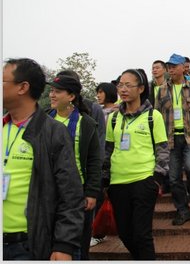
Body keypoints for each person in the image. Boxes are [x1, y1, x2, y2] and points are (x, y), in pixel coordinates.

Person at [3, 58, 84, 260]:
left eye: (3, 81)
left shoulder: (53, 132)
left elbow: (70, 194)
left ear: (23, 87)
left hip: (26, 245)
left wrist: (64, 244)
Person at [102, 68, 169, 260]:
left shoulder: (152, 116)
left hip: (143, 180)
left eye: (128, 85)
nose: (122, 89)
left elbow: (162, 149)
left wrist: (156, 180)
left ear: (140, 89)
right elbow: (108, 150)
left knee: (142, 234)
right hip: (117, 184)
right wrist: (105, 179)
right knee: (124, 233)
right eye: (120, 85)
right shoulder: (113, 118)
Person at [47, 75, 102, 260]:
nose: (52, 95)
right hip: (49, 192)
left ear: (71, 96)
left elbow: (94, 159)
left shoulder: (85, 123)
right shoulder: (44, 121)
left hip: (77, 194)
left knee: (77, 246)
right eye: (51, 91)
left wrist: (92, 192)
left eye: (57, 91)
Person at [156, 54, 190, 225]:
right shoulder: (162, 90)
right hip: (171, 139)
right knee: (173, 177)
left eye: (173, 66)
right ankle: (183, 209)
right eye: (168, 66)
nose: (170, 69)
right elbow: (157, 116)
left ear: (182, 68)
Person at [91, 81, 118, 248]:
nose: (98, 95)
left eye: (101, 92)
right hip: (99, 159)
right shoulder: (96, 112)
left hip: (112, 158)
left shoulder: (116, 112)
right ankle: (98, 231)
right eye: (97, 92)